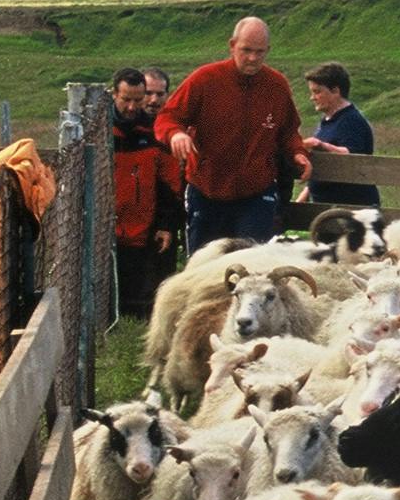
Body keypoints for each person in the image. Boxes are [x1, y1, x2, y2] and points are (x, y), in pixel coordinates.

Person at [156, 16, 309, 253]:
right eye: (246, 50)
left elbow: (288, 131)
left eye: (260, 52)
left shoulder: (276, 85)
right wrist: (176, 134)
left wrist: (298, 153)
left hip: (256, 193)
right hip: (207, 190)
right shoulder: (204, 79)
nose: (252, 58)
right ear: (232, 45)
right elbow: (167, 117)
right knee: (203, 267)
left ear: (268, 50)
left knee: (253, 263)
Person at [109, 66, 186, 316]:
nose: (132, 107)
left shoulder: (155, 133)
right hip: (108, 227)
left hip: (144, 228)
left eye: (137, 100)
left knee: (144, 293)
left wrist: (166, 224)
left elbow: (170, 183)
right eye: (126, 100)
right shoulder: (101, 133)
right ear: (114, 95)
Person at [301, 61, 380, 212]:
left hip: (350, 210)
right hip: (327, 209)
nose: (312, 97)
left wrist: (321, 145)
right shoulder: (327, 121)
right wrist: (301, 200)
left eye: (317, 92)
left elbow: (353, 155)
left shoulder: (351, 120)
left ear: (335, 91)